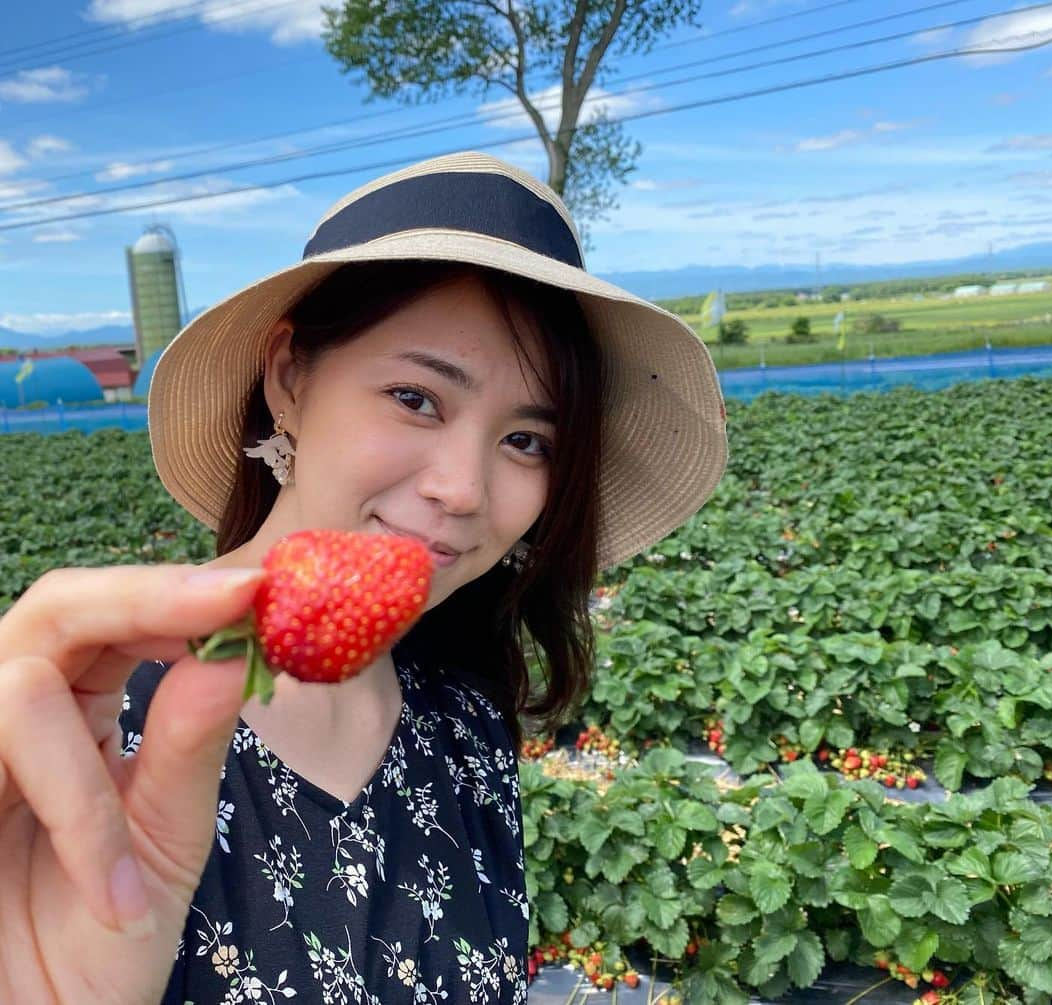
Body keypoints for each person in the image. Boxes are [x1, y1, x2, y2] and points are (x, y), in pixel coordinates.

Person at [0, 151, 727, 1004]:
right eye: (417, 397)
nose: (463, 489)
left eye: (528, 440)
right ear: (289, 380)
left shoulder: (464, 727)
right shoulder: (85, 732)